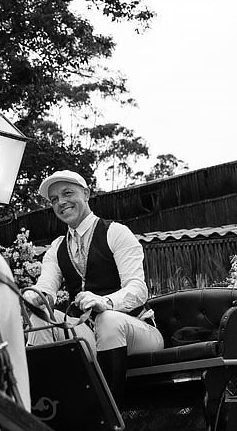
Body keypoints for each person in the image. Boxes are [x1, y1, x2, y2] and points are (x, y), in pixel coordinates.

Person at [22, 170, 163, 405]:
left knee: (108, 319)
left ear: (86, 194)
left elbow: (138, 289)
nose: (61, 202)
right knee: (40, 317)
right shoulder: (56, 248)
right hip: (88, 331)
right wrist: (36, 297)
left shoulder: (116, 232)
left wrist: (106, 302)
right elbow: (46, 285)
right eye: (54, 199)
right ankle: (48, 410)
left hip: (138, 331)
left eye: (67, 193)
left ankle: (111, 416)